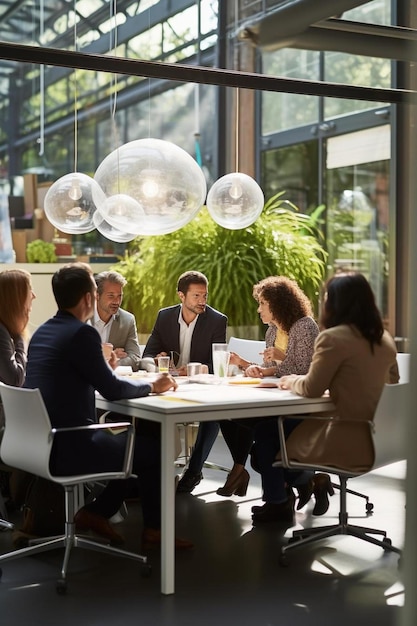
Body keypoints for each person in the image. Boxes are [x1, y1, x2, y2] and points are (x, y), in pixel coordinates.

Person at [23, 262, 193, 549]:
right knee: (155, 445)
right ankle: (147, 529)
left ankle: (99, 512)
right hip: (70, 444)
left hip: (36, 441)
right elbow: (113, 391)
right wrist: (154, 385)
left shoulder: (43, 332)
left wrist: (104, 366)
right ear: (90, 297)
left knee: (140, 438)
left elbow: (76, 377)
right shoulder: (82, 333)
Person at [251, 271, 399, 525]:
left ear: (335, 303)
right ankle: (286, 497)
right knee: (271, 436)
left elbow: (311, 388)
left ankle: (281, 503)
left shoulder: (333, 338)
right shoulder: (384, 340)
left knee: (264, 442)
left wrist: (288, 380)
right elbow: (392, 382)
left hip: (342, 431)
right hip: (381, 436)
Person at [216, 276, 320, 503]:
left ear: (278, 304)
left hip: (300, 404)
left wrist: (281, 360)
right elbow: (275, 369)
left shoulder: (304, 326)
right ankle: (293, 487)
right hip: (279, 397)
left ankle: (290, 490)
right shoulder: (272, 331)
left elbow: (306, 371)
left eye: (262, 303)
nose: (258, 309)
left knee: (262, 446)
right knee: (229, 416)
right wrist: (258, 370)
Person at [143, 270, 227, 493]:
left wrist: (188, 371)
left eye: (204, 296)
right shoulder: (165, 316)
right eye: (196, 296)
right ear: (181, 296)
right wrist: (157, 362)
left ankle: (194, 470)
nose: (202, 301)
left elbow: (215, 362)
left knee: (214, 413)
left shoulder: (217, 320)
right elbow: (147, 354)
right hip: (169, 388)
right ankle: (154, 476)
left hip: (201, 389)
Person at [0, 268, 35, 426]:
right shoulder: (2, 332)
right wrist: (21, 335)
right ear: (17, 298)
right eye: (29, 291)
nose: (34, 296)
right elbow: (15, 379)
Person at [91, 270, 144, 372]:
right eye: (111, 296)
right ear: (97, 295)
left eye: (119, 296)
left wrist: (112, 361)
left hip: (113, 382)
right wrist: (105, 357)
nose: (116, 301)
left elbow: (135, 359)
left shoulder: (127, 320)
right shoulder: (83, 318)